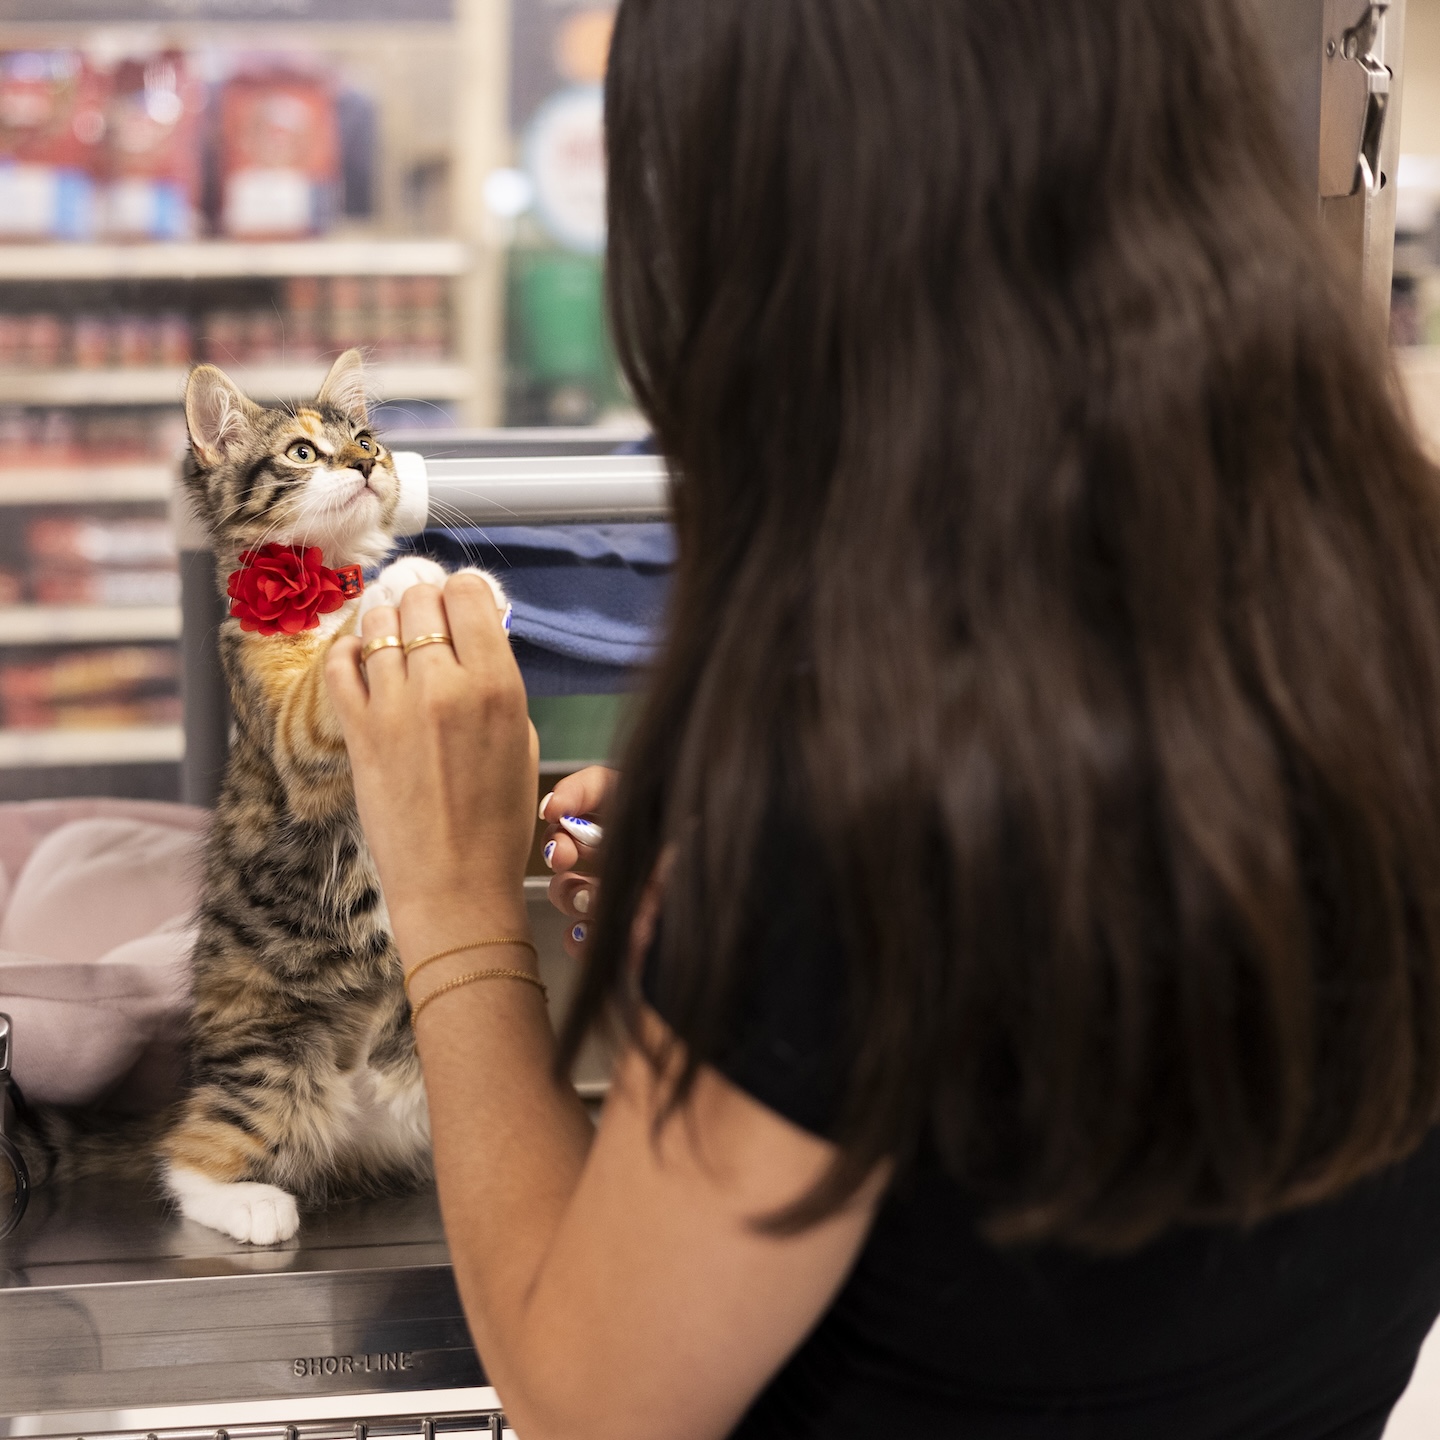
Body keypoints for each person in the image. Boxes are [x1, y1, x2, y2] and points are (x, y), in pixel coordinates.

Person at [325, 1, 1440, 1436]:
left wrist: (458, 906)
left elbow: (592, 1402)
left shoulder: (855, 824)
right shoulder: (1386, 606)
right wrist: (735, 954)